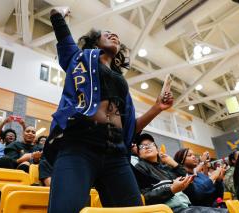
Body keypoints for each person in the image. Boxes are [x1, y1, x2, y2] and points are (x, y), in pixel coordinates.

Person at [44, 7, 174, 213]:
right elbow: (60, 29)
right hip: (79, 145)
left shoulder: (120, 81)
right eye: (107, 34)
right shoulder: (79, 58)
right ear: (95, 42)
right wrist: (58, 13)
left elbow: (130, 130)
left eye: (116, 36)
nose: (114, 35)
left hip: (116, 153)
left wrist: (157, 107)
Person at [134, 133, 227, 213]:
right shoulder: (140, 168)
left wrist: (174, 164)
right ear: (138, 153)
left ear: (157, 149)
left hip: (187, 207)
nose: (146, 147)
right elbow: (143, 198)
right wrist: (172, 189)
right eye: (142, 146)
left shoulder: (167, 168)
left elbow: (193, 192)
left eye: (150, 144)